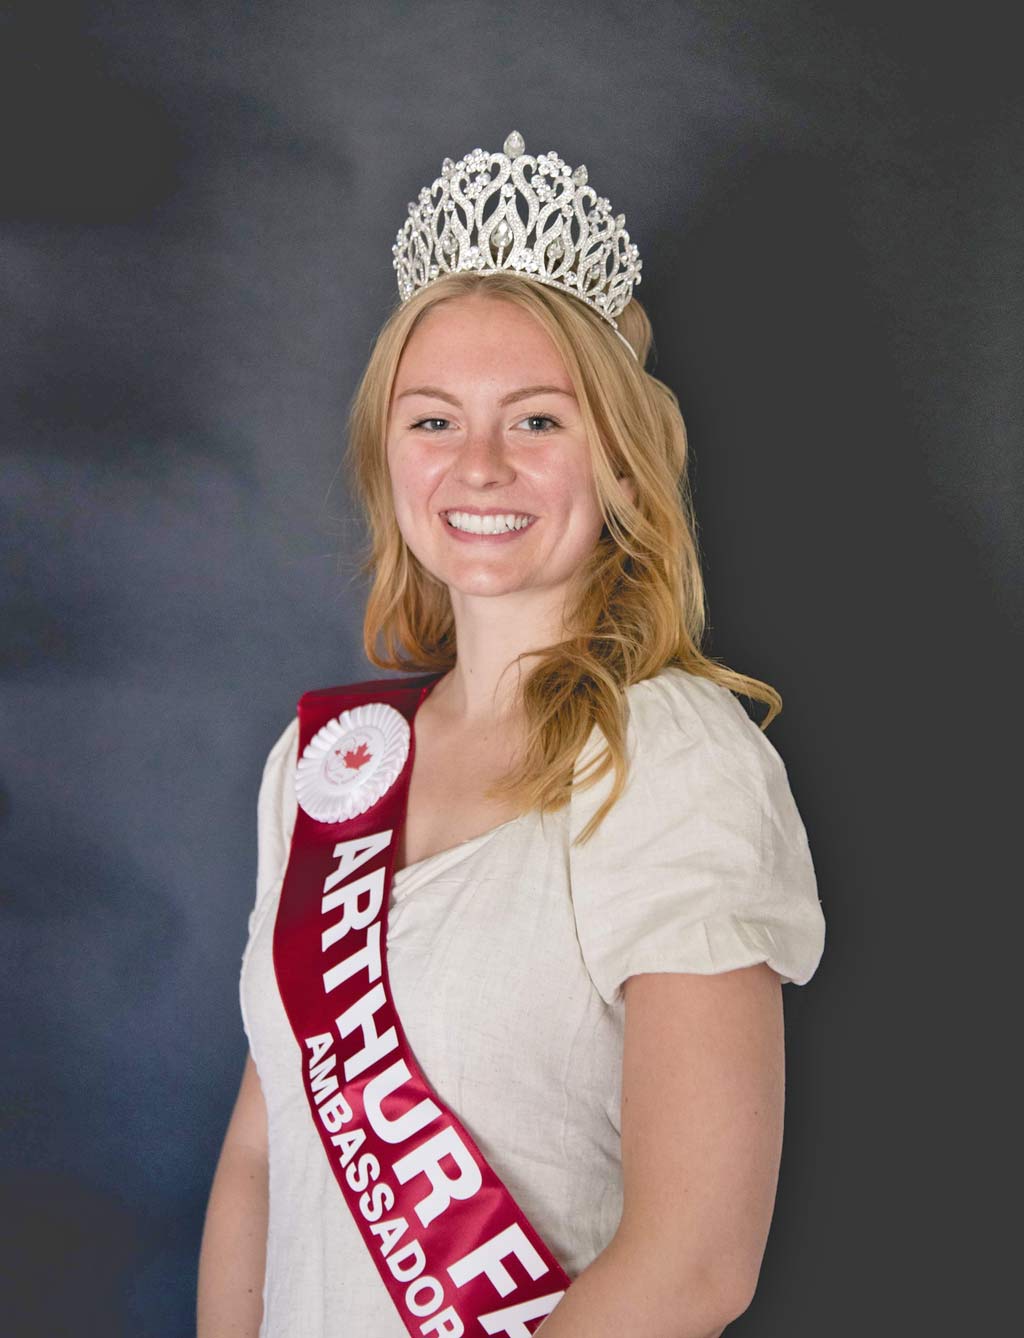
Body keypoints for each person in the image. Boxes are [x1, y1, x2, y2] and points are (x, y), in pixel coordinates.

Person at [197, 131, 826, 1338]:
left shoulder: (674, 762)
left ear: (624, 470)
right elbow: (259, 1159)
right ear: (389, 462)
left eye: (537, 420)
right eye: (433, 421)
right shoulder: (328, 770)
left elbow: (697, 1262)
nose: (477, 462)